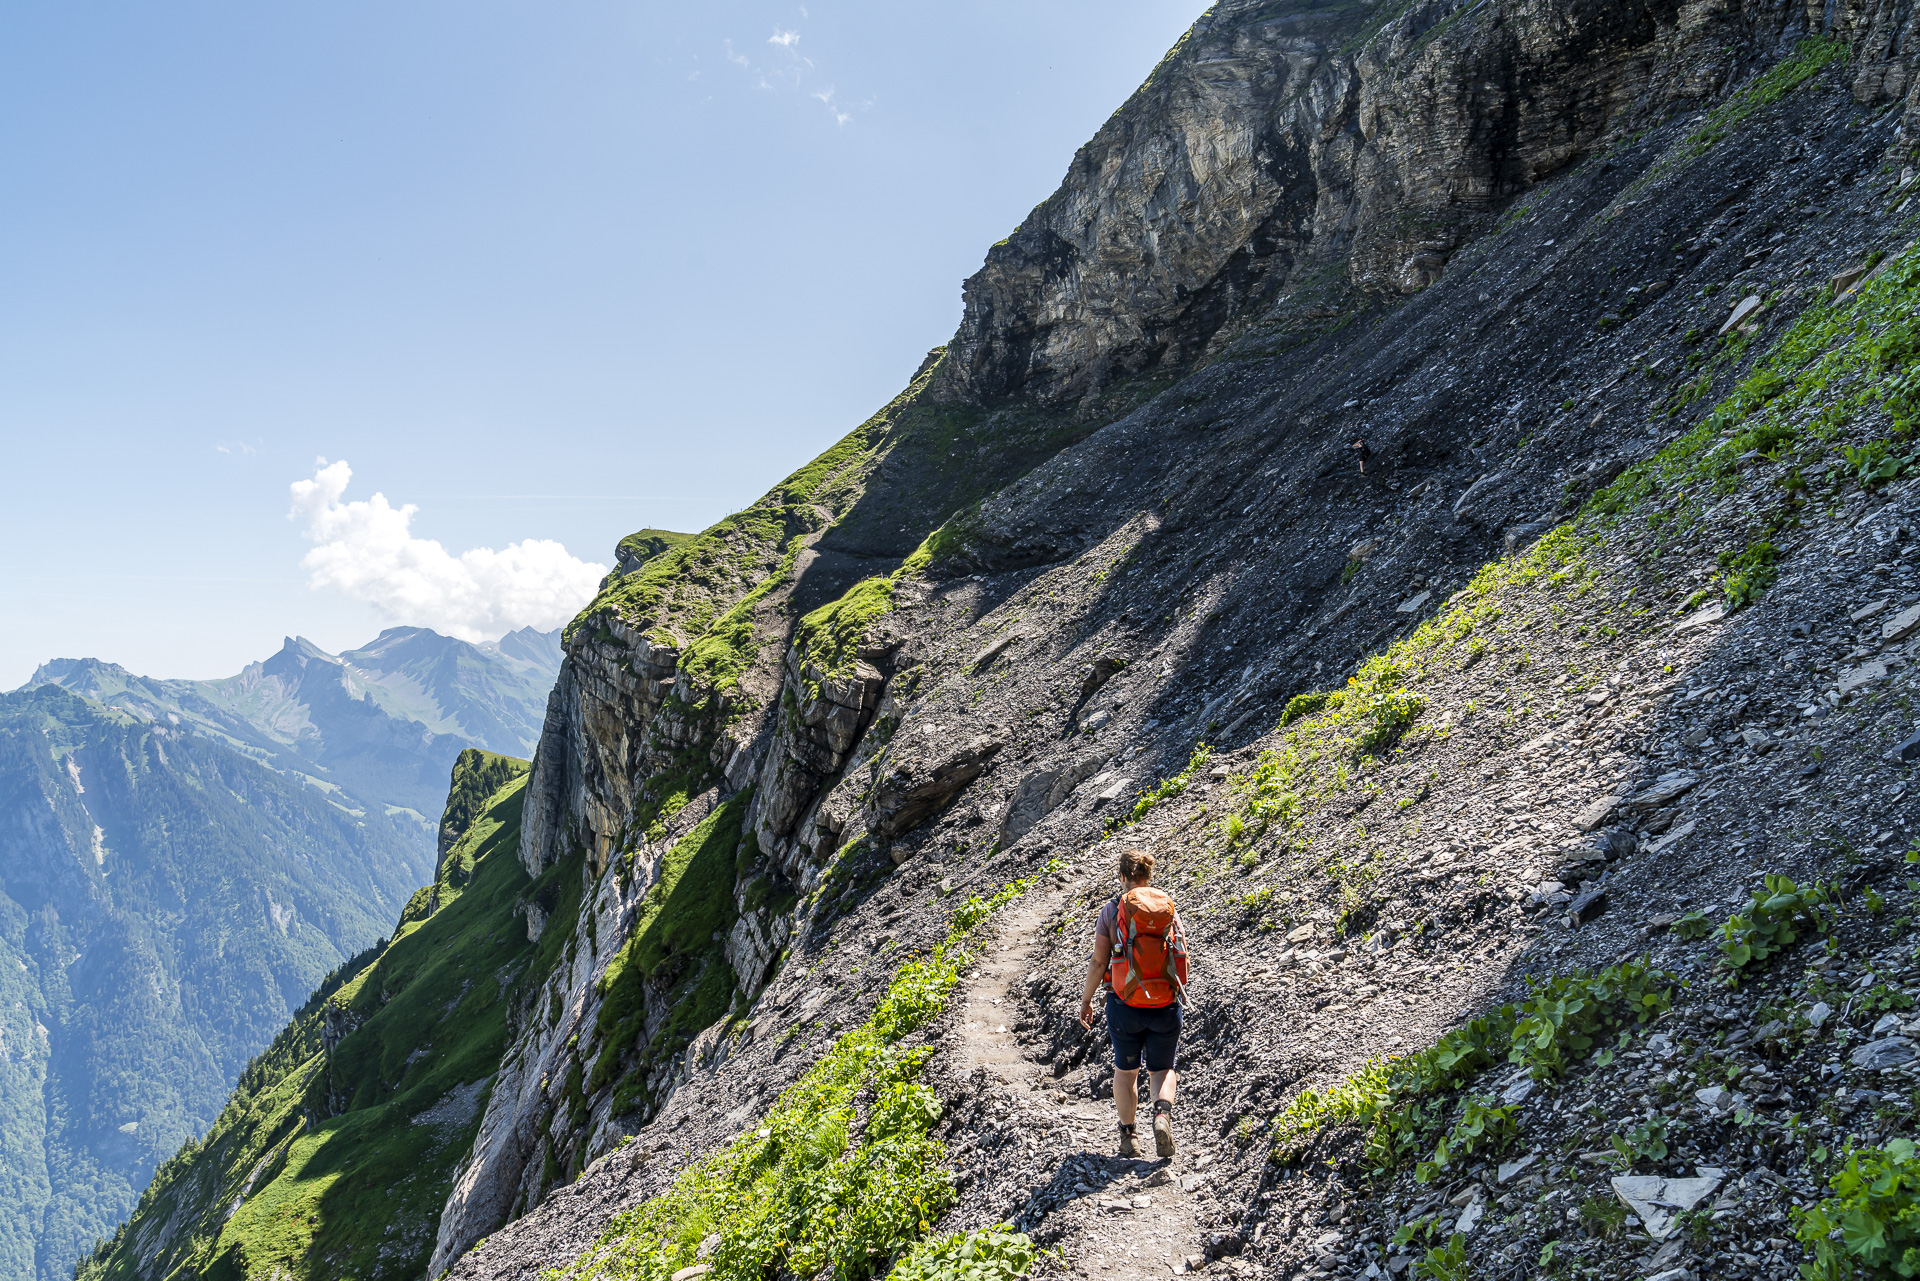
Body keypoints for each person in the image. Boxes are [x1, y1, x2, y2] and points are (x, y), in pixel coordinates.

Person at [1079, 847, 1188, 1158]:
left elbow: (1099, 963)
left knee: (1126, 1073)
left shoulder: (1111, 911)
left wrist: (1086, 1000)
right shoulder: (1167, 907)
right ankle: (1162, 1116)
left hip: (1124, 1006)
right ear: (1148, 875)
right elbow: (1181, 955)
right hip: (1165, 1005)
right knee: (1163, 1069)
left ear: (1123, 876)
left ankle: (1129, 1138)